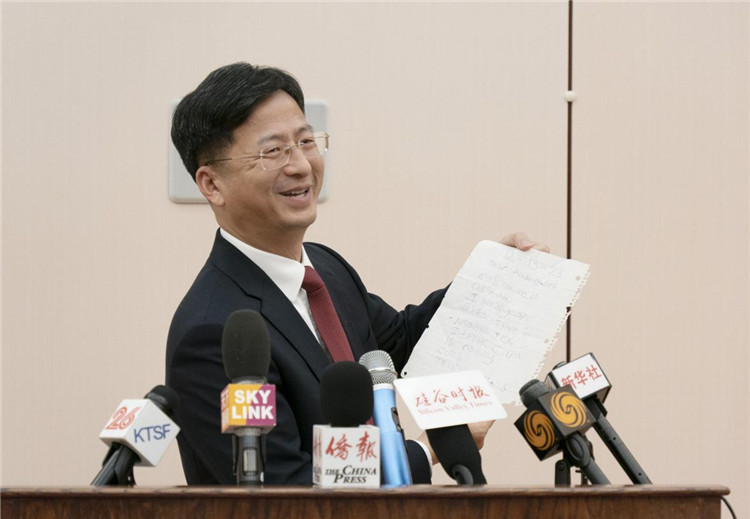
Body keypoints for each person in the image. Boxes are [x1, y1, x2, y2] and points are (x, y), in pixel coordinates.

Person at [166, 62, 549, 485]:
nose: (301, 165)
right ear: (212, 184)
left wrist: (492, 280)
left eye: (306, 141)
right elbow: (286, 490)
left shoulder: (325, 267)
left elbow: (400, 342)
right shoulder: (211, 333)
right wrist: (426, 451)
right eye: (273, 151)